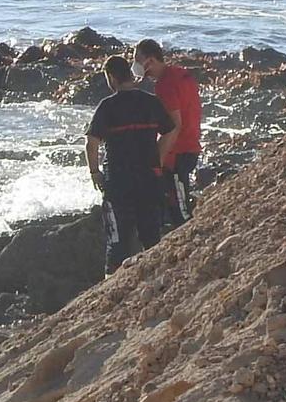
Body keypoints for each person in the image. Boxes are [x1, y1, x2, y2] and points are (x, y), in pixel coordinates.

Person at [86, 55, 179, 270]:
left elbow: (92, 144)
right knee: (151, 237)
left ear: (111, 77)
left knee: (117, 240)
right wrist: (159, 157)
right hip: (149, 176)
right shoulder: (151, 102)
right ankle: (155, 281)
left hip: (119, 180)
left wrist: (94, 172)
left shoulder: (107, 106)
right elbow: (170, 130)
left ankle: (111, 288)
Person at [134, 38, 202, 229]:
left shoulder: (166, 85)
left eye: (138, 60)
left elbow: (173, 127)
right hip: (191, 143)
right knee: (173, 200)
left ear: (151, 60)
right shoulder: (181, 74)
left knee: (179, 208)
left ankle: (191, 242)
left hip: (179, 152)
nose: (136, 66)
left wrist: (158, 161)